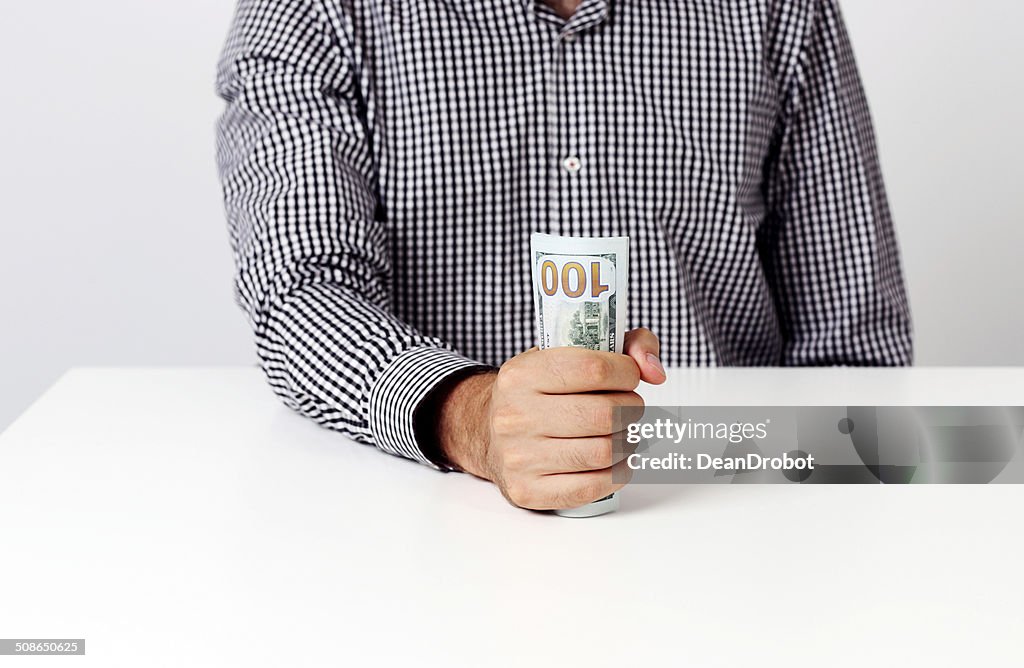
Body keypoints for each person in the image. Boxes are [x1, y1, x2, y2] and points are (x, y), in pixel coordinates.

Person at [215, 0, 913, 510]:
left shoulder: (780, 8)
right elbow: (302, 291)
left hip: (726, 514)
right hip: (421, 527)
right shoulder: (312, 11)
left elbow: (852, 348)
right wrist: (472, 416)